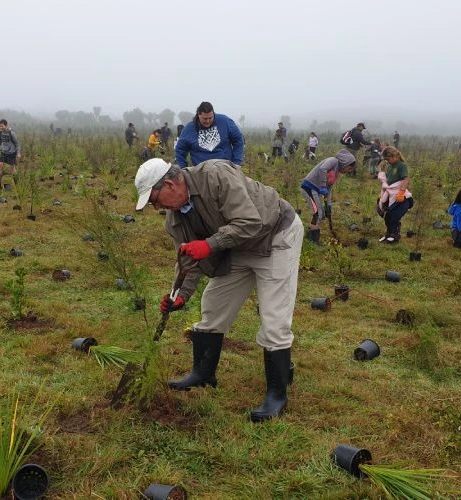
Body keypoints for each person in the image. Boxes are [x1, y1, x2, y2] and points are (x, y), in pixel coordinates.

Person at [134, 157, 302, 423]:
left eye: (155, 199)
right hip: (236, 248)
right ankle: (203, 374)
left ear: (169, 183)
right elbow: (188, 259)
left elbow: (250, 222)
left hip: (274, 238)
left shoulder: (215, 175)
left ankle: (276, 395)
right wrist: (180, 296)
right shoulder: (175, 219)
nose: (156, 207)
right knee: (212, 306)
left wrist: (210, 245)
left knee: (274, 318)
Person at [300, 149, 357, 244]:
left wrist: (329, 205)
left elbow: (328, 190)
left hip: (316, 190)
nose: (349, 171)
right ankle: (313, 240)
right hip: (309, 187)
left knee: (321, 213)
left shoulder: (336, 172)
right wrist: (322, 185)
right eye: (349, 168)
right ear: (345, 163)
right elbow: (322, 169)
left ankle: (310, 234)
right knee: (317, 213)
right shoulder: (333, 161)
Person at [175, 101, 244, 167]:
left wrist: (237, 162)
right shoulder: (189, 129)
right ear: (198, 115)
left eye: (210, 118)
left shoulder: (225, 121)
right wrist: (183, 168)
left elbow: (238, 140)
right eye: (205, 119)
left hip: (225, 168)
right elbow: (180, 150)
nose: (208, 121)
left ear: (213, 114)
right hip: (201, 171)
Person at [375, 146, 413, 243]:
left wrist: (401, 192)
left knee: (394, 217)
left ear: (394, 156)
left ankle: (395, 235)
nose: (387, 161)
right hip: (391, 195)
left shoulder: (401, 166)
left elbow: (405, 179)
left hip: (401, 198)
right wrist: (383, 194)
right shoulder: (390, 166)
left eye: (388, 159)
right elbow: (388, 182)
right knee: (387, 216)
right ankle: (389, 234)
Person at [0, 119, 21, 188]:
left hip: (12, 152)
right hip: (3, 152)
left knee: (12, 168)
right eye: (0, 126)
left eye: (2, 126)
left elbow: (17, 144)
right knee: (0, 165)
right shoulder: (0, 133)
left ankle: (16, 183)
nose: (1, 128)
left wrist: (18, 153)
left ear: (6, 126)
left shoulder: (11, 133)